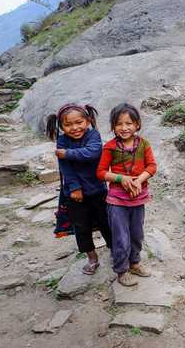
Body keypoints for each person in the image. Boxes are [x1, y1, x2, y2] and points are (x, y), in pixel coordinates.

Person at [46, 104, 112, 275]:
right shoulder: (62, 141)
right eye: (68, 125)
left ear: (88, 120)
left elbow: (92, 153)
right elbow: (66, 169)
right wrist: (74, 188)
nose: (75, 128)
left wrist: (67, 153)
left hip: (98, 189)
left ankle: (115, 250)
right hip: (74, 194)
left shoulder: (93, 135)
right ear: (61, 126)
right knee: (81, 227)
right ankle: (92, 257)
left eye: (79, 122)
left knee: (106, 222)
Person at [96, 103, 157, 287]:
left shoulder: (144, 144)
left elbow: (152, 166)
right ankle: (121, 270)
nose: (124, 128)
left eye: (129, 123)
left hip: (138, 198)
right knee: (121, 236)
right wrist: (122, 179)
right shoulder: (110, 147)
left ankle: (135, 262)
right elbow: (100, 172)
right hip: (117, 200)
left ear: (137, 124)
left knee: (137, 233)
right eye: (119, 124)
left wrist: (139, 180)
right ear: (113, 126)